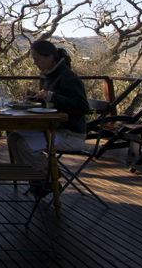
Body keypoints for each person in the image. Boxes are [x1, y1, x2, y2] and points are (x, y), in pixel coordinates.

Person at [7, 40, 90, 193]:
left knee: (25, 144)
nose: (35, 63)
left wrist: (52, 97)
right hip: (52, 129)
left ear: (50, 57)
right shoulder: (48, 76)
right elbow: (49, 104)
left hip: (70, 134)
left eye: (37, 59)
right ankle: (43, 177)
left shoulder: (67, 77)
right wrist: (35, 97)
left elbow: (82, 107)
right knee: (13, 138)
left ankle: (48, 178)